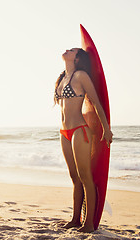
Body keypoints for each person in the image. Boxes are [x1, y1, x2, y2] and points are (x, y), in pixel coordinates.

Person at [54, 48, 113, 233]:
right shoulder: (63, 77)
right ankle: (75, 219)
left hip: (80, 130)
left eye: (72, 50)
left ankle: (88, 223)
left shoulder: (80, 76)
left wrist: (106, 129)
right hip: (64, 132)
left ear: (78, 58)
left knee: (85, 176)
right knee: (74, 177)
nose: (67, 50)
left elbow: (95, 102)